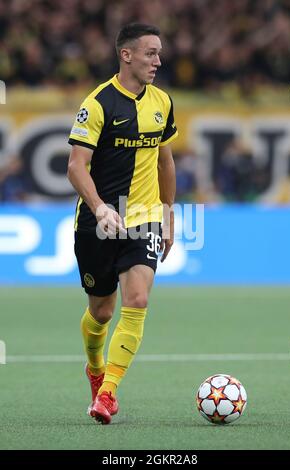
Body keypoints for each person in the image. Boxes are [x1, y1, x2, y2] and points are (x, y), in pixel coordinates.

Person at [67, 23, 178, 424]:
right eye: (150, 53)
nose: (158, 61)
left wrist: (168, 213)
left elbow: (165, 160)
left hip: (144, 217)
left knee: (138, 300)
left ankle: (108, 393)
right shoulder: (97, 104)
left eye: (159, 53)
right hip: (98, 220)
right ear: (126, 55)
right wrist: (98, 207)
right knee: (100, 311)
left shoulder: (163, 102)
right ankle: (95, 370)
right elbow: (75, 166)